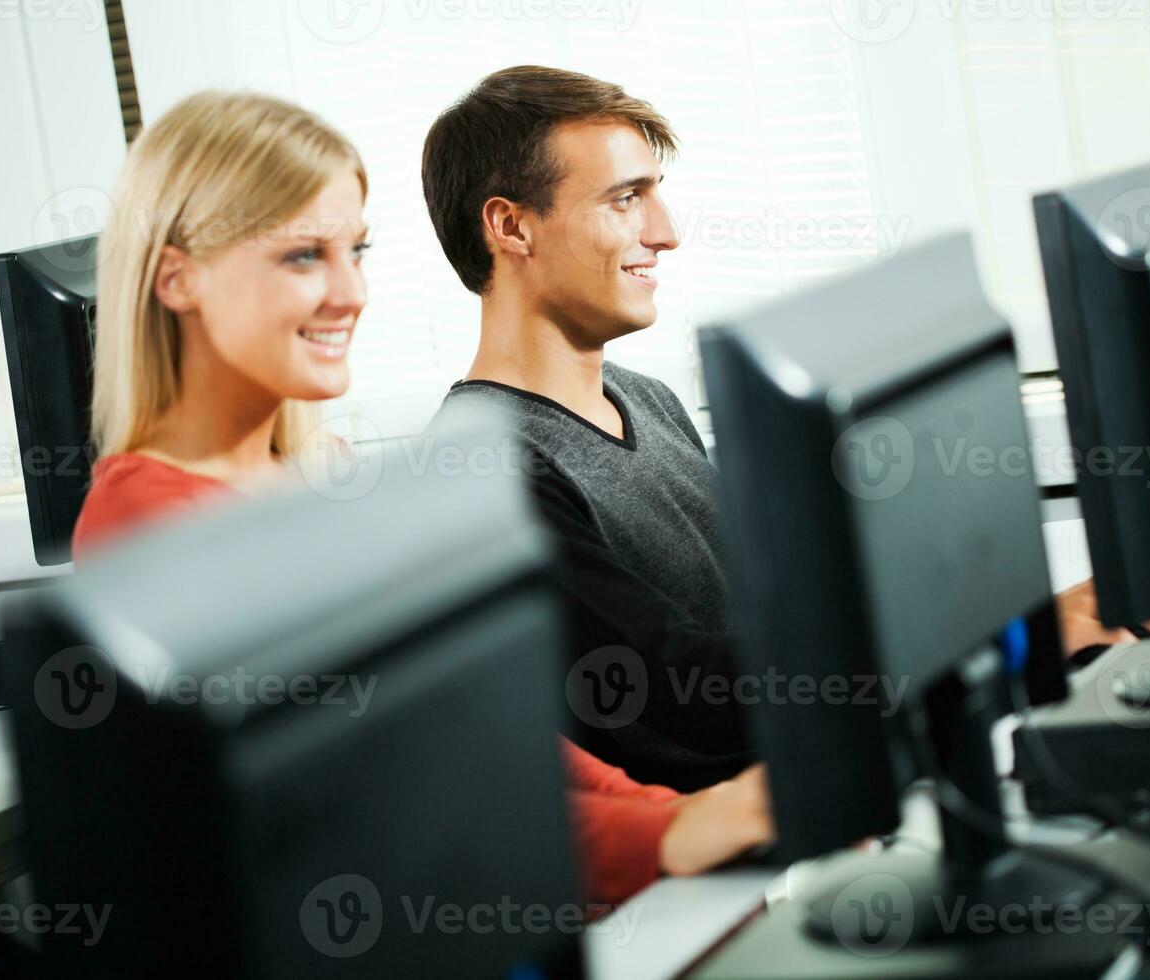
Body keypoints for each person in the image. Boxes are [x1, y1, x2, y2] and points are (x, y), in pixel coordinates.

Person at [73, 89, 772, 906]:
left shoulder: (317, 485)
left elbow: (483, 736)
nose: (351, 293)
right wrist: (667, 835)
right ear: (177, 279)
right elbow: (384, 797)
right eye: (304, 256)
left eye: (356, 252)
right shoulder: (154, 526)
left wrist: (689, 815)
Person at [422, 66, 1150, 792]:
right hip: (725, 865)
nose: (666, 233)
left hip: (835, 785)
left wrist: (1026, 634)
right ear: (510, 227)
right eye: (625, 199)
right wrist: (1010, 639)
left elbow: (777, 627)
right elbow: (680, 692)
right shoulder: (487, 470)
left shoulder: (646, 399)